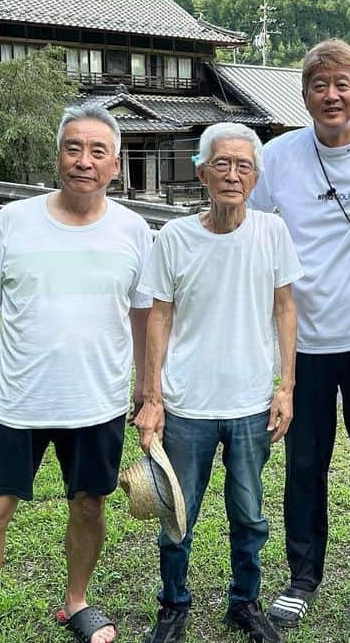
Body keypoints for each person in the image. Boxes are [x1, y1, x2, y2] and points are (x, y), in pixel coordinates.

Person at [0, 102, 152, 643]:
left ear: (116, 164)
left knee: (88, 504)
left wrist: (150, 389)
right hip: (18, 403)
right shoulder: (13, 222)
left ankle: (77, 601)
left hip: (97, 401)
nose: (84, 160)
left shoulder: (133, 230)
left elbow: (145, 314)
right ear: (57, 156)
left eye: (97, 151)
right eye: (73, 148)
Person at [249, 39, 350, 636]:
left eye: (342, 84)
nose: (332, 96)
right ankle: (301, 577)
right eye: (320, 86)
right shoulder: (277, 157)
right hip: (304, 345)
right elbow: (253, 231)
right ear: (304, 96)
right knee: (305, 464)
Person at [134, 122, 302, 643]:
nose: (233, 174)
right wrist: (152, 397)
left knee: (249, 514)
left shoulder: (272, 231)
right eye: (222, 164)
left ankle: (244, 603)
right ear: (201, 171)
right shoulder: (175, 238)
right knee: (176, 513)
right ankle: (173, 605)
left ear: (256, 176)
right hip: (187, 404)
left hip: (251, 401)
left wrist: (286, 387)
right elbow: (158, 316)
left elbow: (285, 308)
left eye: (244, 165)